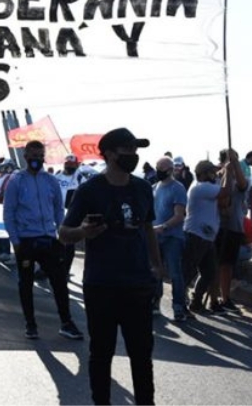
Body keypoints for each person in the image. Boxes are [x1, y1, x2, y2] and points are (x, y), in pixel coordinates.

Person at [59, 127, 163, 406]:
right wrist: (84, 231)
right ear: (109, 154)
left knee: (142, 356)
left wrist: (156, 267)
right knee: (101, 354)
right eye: (128, 150)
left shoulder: (142, 188)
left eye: (135, 150)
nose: (134, 155)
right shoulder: (90, 190)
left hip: (138, 285)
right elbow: (64, 233)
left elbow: (148, 228)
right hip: (102, 286)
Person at [2, 141, 83, 341]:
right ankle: (31, 324)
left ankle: (66, 322)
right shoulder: (16, 181)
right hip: (26, 241)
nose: (36, 159)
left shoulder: (50, 180)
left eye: (40, 155)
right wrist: (15, 241)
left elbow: (58, 209)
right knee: (26, 284)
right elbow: (8, 213)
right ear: (25, 155)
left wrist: (62, 233)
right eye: (33, 155)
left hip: (48, 239)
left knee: (59, 282)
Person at [183, 160, 229, 315]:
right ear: (203, 174)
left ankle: (196, 302)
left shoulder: (203, 187)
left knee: (209, 272)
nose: (214, 175)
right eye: (211, 172)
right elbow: (225, 192)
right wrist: (228, 173)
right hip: (196, 235)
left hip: (206, 237)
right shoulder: (201, 187)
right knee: (188, 272)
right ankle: (181, 303)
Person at [151, 156, 188, 321]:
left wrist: (163, 227)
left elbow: (179, 215)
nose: (159, 172)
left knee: (175, 273)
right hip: (155, 236)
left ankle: (179, 307)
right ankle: (155, 302)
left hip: (172, 237)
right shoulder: (155, 187)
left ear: (171, 170)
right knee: (155, 271)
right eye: (157, 168)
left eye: (162, 169)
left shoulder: (178, 188)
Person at [212, 148, 248, 314]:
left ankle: (224, 297)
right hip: (216, 227)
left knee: (227, 265)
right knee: (212, 264)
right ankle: (211, 296)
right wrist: (226, 170)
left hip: (233, 227)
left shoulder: (239, 179)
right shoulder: (216, 177)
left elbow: (242, 185)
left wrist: (234, 166)